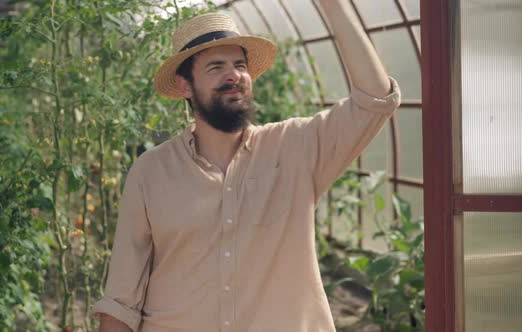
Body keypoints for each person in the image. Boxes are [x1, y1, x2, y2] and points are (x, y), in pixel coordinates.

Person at [92, 1, 400, 331]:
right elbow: (121, 300)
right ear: (185, 86)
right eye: (216, 67)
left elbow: (373, 101)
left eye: (240, 65)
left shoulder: (296, 147)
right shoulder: (150, 173)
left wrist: (334, 7)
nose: (234, 75)